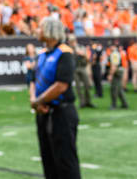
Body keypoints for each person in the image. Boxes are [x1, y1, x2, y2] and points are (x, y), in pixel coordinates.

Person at [31, 17, 80, 179]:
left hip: (62, 113)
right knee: (48, 161)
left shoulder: (65, 53)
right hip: (43, 113)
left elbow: (61, 85)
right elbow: (32, 79)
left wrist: (39, 101)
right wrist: (35, 102)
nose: (37, 31)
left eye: (40, 28)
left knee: (65, 161)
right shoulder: (41, 54)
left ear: (50, 32)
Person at [68, 35, 94, 108]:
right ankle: (82, 102)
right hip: (74, 69)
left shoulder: (81, 47)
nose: (72, 43)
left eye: (73, 41)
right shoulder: (68, 49)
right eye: (71, 41)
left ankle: (88, 101)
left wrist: (81, 53)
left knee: (87, 85)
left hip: (82, 67)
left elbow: (87, 58)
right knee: (78, 87)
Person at [108, 43, 129, 109]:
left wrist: (110, 75)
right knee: (119, 89)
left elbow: (114, 65)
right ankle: (124, 103)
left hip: (117, 71)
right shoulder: (116, 53)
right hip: (120, 70)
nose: (110, 48)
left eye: (111, 46)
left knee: (114, 88)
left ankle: (114, 105)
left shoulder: (114, 54)